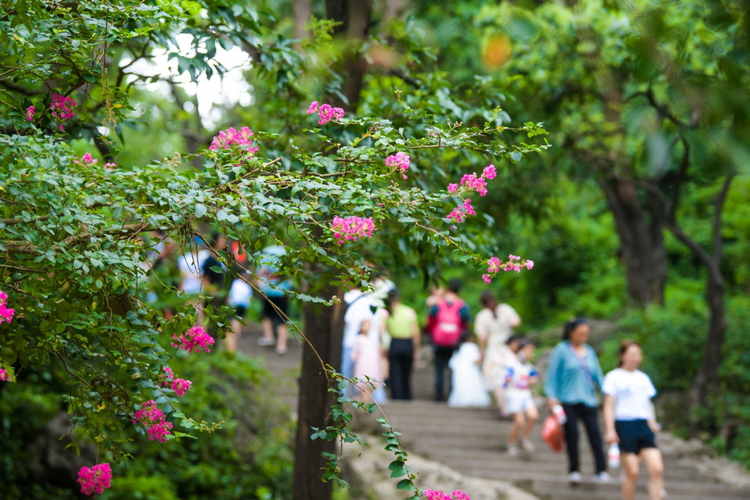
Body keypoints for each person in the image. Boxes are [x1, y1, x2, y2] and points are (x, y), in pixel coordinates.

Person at [545, 318, 611, 484]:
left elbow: (598, 376)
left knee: (595, 434)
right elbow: (552, 375)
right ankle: (574, 470)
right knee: (572, 435)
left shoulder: (589, 352)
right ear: (570, 332)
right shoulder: (561, 350)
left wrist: (608, 393)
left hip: (589, 400)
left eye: (586, 334)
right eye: (580, 333)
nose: (584, 336)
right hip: (568, 400)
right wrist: (551, 397)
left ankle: (601, 470)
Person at [603, 341, 664, 500]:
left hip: (643, 425)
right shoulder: (613, 376)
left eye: (638, 354)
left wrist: (652, 424)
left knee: (657, 468)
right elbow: (609, 406)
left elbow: (648, 404)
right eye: (631, 354)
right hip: (624, 424)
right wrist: (610, 430)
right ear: (622, 356)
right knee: (632, 471)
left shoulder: (643, 378)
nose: (635, 358)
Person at [475, 291, 521, 416]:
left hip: (494, 349)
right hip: (509, 347)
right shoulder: (505, 309)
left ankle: (504, 408)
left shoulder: (482, 315)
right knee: (510, 374)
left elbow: (482, 337)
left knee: (495, 378)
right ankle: (512, 404)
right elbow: (516, 322)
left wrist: (481, 353)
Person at [426, 279, 470, 401]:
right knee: (453, 369)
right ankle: (451, 394)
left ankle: (439, 395)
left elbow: (430, 321)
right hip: (454, 342)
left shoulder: (438, 304)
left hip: (438, 342)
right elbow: (465, 323)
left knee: (439, 369)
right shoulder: (462, 305)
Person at [505, 338, 539, 456]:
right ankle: (511, 443)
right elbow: (507, 377)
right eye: (529, 351)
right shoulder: (512, 364)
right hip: (514, 395)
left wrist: (530, 381)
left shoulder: (529, 367)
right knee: (519, 422)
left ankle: (523, 438)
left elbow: (534, 378)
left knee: (533, 416)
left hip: (525, 394)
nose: (531, 354)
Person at [385, 289, 420, 400]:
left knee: (395, 373)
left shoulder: (387, 312)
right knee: (406, 372)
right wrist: (415, 349)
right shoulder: (409, 311)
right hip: (407, 343)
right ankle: (406, 396)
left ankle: (397, 396)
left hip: (395, 343)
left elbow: (384, 330)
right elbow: (415, 332)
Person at [257, 245, 290, 354]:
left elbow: (259, 274)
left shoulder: (265, 255)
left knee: (267, 315)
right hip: (283, 292)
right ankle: (282, 345)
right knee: (283, 318)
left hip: (268, 291)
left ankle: (269, 336)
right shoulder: (286, 257)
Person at [447, 332, 490, 408]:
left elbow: (453, 363)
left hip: (459, 371)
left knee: (462, 385)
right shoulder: (472, 347)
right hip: (471, 370)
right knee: (472, 385)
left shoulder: (459, 347)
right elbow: (475, 360)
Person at [351, 317, 382, 399]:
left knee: (369, 387)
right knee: (365, 387)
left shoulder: (371, 340)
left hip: (372, 366)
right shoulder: (359, 339)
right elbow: (354, 355)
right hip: (363, 366)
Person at [225, 272, 252, 353]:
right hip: (244, 304)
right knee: (240, 318)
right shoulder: (247, 285)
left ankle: (236, 332)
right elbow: (249, 295)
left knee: (234, 319)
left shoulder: (235, 283)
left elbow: (232, 293)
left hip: (235, 303)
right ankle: (239, 331)